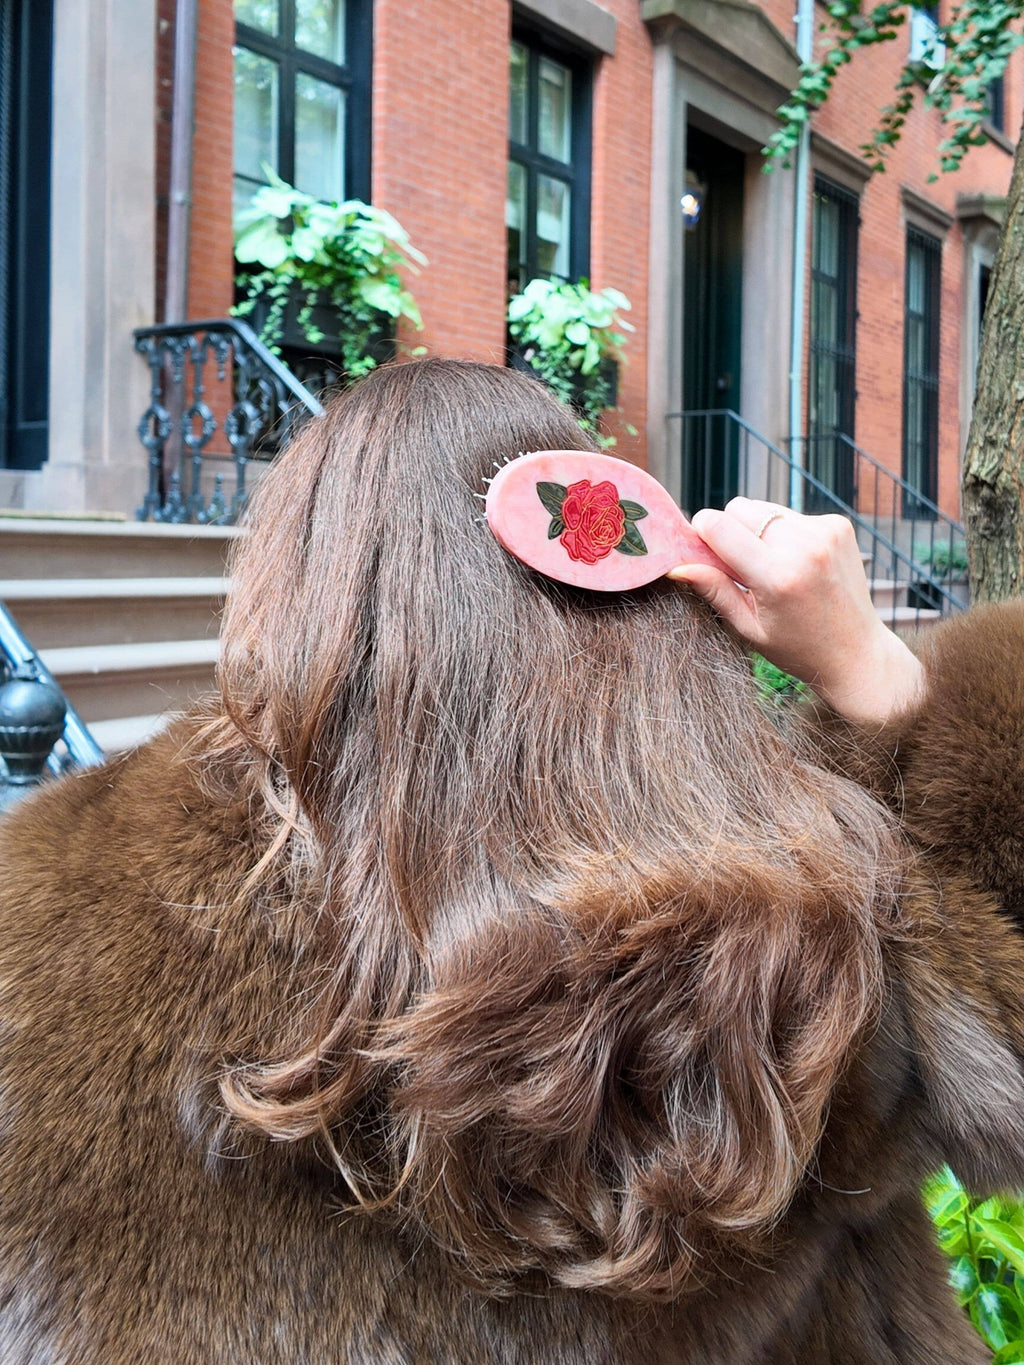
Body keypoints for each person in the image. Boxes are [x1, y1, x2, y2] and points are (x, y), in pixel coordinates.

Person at [0, 357, 1020, 1364]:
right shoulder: (816, 920)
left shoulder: (47, 936)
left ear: (291, 599)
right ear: (647, 614)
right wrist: (871, 670)